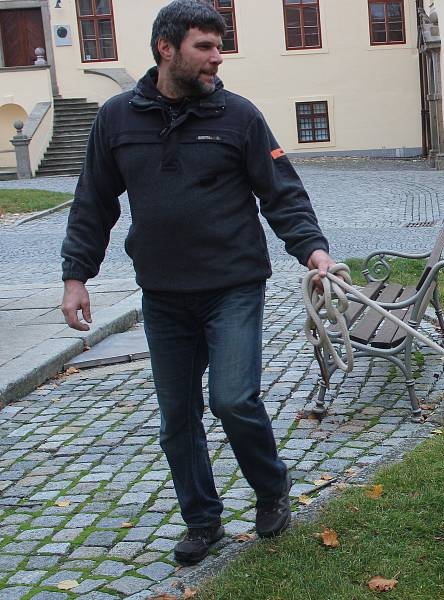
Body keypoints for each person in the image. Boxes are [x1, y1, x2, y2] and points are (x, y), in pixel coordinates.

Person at [60, 0, 337, 565]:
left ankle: (270, 488)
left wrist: (312, 248)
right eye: (204, 47)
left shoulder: (239, 117)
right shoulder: (116, 118)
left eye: (219, 46)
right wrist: (76, 276)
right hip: (163, 293)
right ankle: (202, 521)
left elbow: (281, 192)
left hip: (232, 284)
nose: (217, 58)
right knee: (177, 416)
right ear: (167, 49)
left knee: (233, 399)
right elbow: (92, 202)